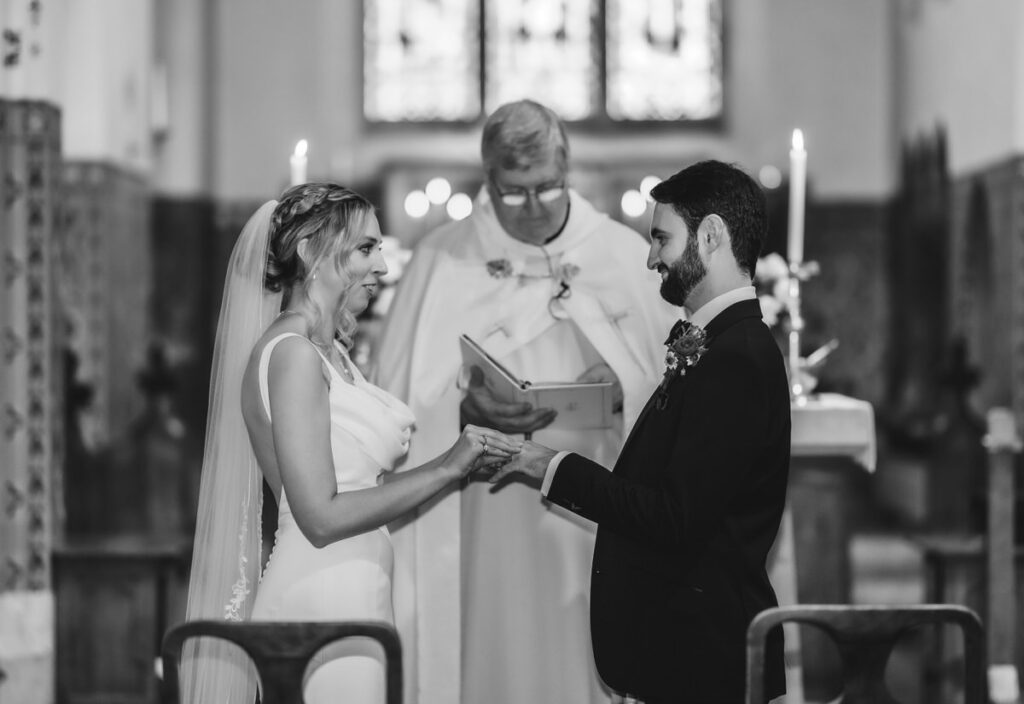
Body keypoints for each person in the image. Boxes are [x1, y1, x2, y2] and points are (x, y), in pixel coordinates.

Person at [374, 100, 677, 704]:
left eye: (548, 188)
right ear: (487, 180)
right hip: (479, 511)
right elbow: (398, 402)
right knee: (492, 648)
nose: (535, 206)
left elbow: (677, 385)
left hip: (596, 500)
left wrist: (624, 383)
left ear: (567, 169)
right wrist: (461, 410)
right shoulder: (441, 259)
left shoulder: (623, 255)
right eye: (514, 193)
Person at [181, 183, 520, 704]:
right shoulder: (292, 354)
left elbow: (361, 483)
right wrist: (446, 468)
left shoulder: (330, 352)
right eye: (365, 248)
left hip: (356, 586)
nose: (381, 265)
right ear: (309, 252)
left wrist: (463, 456)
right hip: (321, 592)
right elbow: (319, 517)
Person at [488, 160, 790, 704]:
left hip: (704, 657)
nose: (651, 258)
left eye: (661, 238)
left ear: (711, 235)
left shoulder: (737, 357)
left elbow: (675, 518)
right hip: (683, 647)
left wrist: (549, 466)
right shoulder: (722, 344)